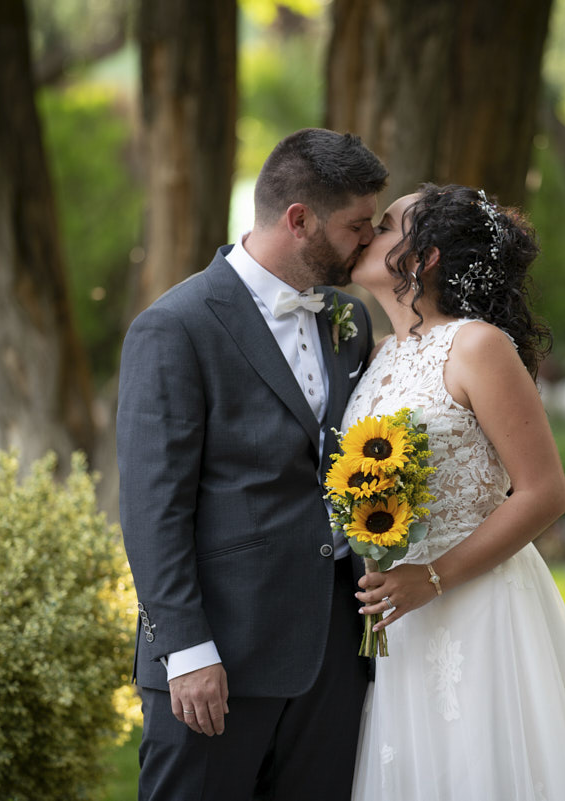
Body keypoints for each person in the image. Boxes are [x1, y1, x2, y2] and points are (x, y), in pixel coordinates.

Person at [344, 184, 565, 800]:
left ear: (424, 256)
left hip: (479, 606)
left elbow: (544, 493)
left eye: (385, 225)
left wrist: (430, 577)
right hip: (402, 620)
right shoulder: (377, 354)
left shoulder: (478, 346)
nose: (366, 234)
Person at [117, 128, 387, 801]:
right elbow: (155, 507)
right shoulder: (175, 326)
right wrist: (186, 650)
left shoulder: (349, 319)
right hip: (218, 657)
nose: (371, 241)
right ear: (300, 220)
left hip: (333, 653)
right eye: (358, 225)